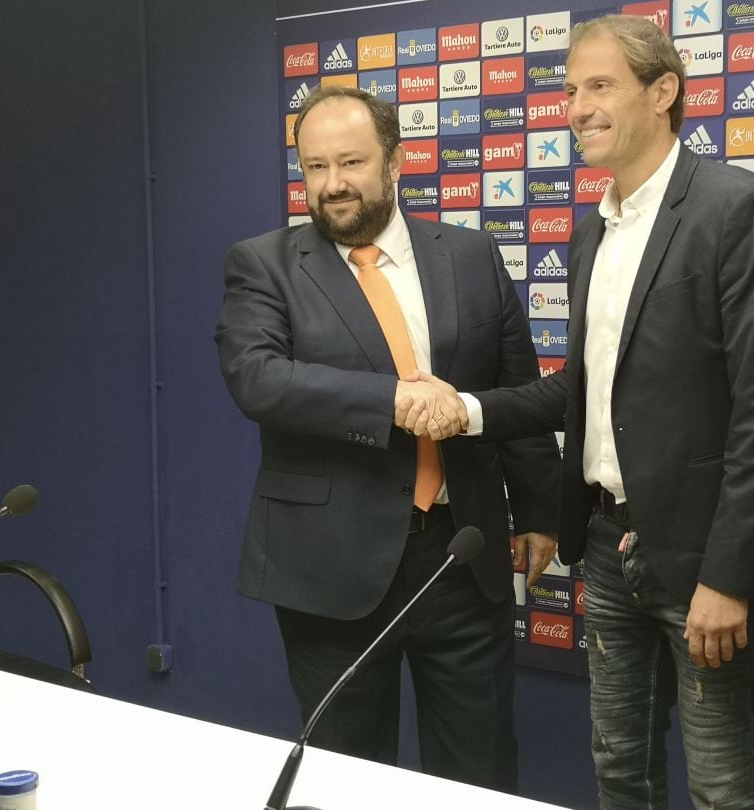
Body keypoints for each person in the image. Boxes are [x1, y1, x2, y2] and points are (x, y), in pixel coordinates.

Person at [402, 14, 754, 810]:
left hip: (702, 558)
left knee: (722, 787)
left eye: (600, 86)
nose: (576, 107)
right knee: (619, 773)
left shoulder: (737, 208)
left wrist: (728, 579)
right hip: (605, 541)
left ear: (663, 92)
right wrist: (467, 409)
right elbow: (585, 391)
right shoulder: (593, 231)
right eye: (568, 89)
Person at [214, 84, 560, 793]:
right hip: (329, 570)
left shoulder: (469, 256)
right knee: (347, 782)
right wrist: (394, 400)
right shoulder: (264, 264)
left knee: (479, 776)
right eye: (314, 168)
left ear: (395, 163)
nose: (333, 185)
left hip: (462, 557)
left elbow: (514, 386)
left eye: (351, 163)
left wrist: (540, 511)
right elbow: (257, 379)